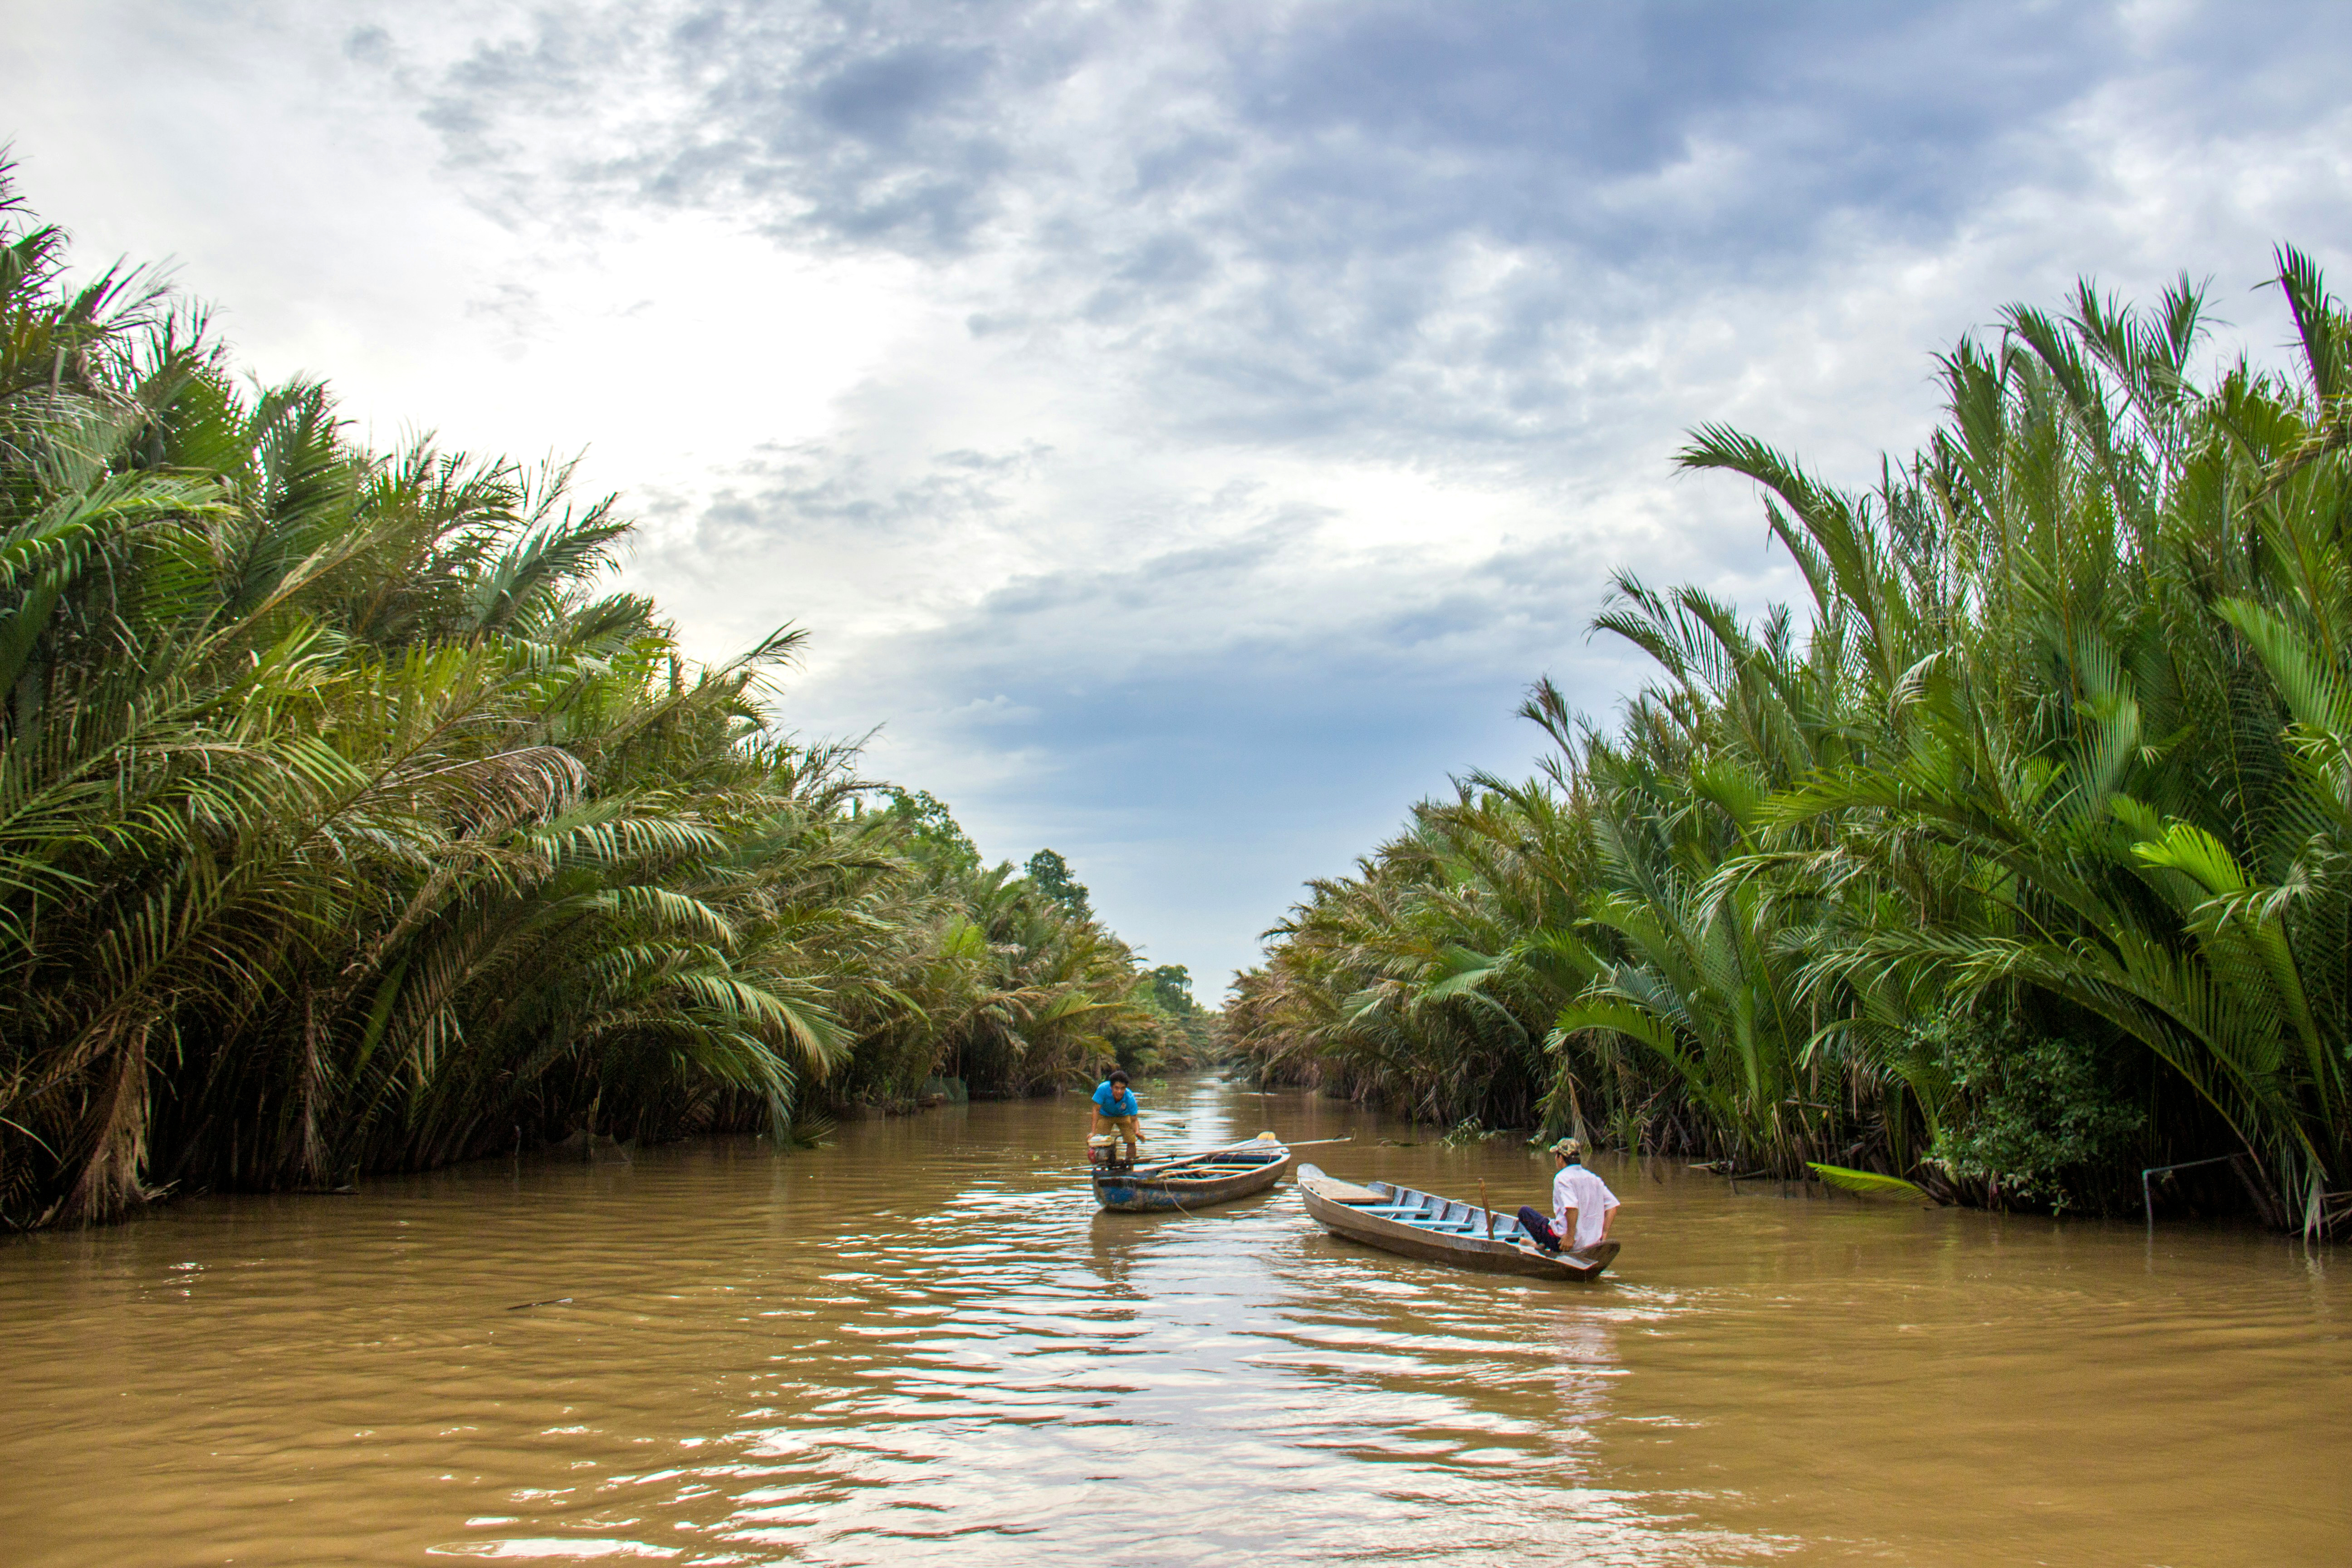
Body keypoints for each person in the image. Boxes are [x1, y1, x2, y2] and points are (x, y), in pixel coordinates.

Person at [1516, 1137, 1618, 1255]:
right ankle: (1540, 1245)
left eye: (1556, 1156)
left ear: (1560, 1158)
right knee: (1553, 1221)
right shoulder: (1593, 1178)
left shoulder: (1562, 1178)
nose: (1555, 1159)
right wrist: (1604, 1234)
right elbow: (1612, 1206)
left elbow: (1572, 1208)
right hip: (1593, 1243)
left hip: (1565, 1243)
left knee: (1524, 1212)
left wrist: (1570, 1237)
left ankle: (1540, 1245)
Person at [1089, 1068, 1145, 1160]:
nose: (1119, 1092)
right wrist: (1093, 1132)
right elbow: (1096, 1110)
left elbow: (1134, 1119)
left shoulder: (1130, 1097)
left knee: (1131, 1140)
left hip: (1124, 1116)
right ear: (1111, 1087)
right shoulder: (1103, 1089)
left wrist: (1137, 1132)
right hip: (1105, 1115)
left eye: (1122, 1089)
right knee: (1100, 1141)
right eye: (1117, 1088)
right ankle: (1102, 1166)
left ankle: (1130, 1163)